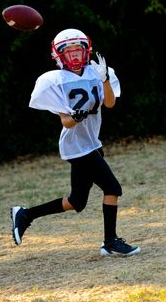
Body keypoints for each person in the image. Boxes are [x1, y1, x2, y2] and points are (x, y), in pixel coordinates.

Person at [10, 28, 140, 257]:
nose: (75, 56)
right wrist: (77, 116)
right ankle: (110, 242)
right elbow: (66, 122)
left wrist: (105, 79)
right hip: (75, 146)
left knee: (77, 201)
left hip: (91, 142)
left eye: (78, 51)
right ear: (60, 56)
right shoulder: (56, 80)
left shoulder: (97, 72)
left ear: (86, 50)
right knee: (112, 188)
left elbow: (109, 104)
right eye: (69, 52)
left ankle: (25, 214)